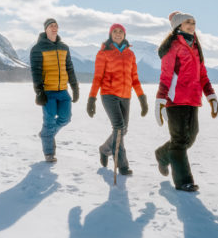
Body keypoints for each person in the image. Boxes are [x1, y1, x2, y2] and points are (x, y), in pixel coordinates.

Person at [154, 11, 218, 192]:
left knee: (190, 138)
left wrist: (211, 96)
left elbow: (203, 75)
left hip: (192, 99)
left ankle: (162, 154)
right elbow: (166, 75)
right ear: (178, 26)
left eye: (193, 22)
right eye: (187, 22)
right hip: (175, 100)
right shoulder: (173, 46)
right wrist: (160, 99)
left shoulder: (196, 46)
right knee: (180, 140)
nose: (191, 25)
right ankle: (184, 181)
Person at [87, 24, 148, 175]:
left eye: (121, 32)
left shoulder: (130, 54)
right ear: (110, 34)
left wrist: (142, 97)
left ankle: (104, 149)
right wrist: (92, 98)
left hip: (126, 96)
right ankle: (122, 164)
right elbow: (97, 77)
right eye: (115, 31)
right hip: (109, 94)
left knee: (123, 129)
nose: (118, 34)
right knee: (119, 127)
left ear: (125, 35)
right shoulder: (104, 53)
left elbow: (134, 78)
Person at [30, 18, 79, 162]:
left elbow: (69, 68)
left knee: (66, 118)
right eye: (51, 26)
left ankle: (46, 135)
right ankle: (49, 153)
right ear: (45, 29)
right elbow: (36, 71)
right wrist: (39, 91)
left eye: (56, 26)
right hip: (48, 91)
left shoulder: (64, 47)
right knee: (49, 121)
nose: (54, 28)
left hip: (63, 90)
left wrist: (75, 88)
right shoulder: (38, 48)